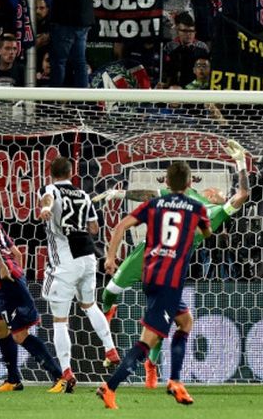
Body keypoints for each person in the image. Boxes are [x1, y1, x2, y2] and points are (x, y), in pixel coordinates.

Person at [98, 140, 249, 389]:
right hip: (147, 256)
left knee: (164, 324)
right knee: (110, 293)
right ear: (194, 185)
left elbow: (242, 194)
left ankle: (149, 367)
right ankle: (108, 326)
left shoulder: (214, 212)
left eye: (220, 193)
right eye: (213, 191)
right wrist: (122, 194)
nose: (216, 192)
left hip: (169, 268)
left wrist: (241, 163)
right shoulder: (187, 199)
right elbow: (150, 196)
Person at [97, 161, 212, 409]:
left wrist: (110, 257)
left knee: (186, 321)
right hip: (169, 280)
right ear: (190, 183)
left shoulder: (153, 205)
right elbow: (207, 232)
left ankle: (175, 381)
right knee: (146, 342)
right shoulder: (196, 208)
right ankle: (110, 387)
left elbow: (121, 226)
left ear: (166, 183)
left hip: (151, 275)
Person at [38, 157, 119, 390]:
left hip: (65, 262)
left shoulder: (50, 188)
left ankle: (66, 371)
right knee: (89, 305)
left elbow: (48, 198)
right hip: (88, 258)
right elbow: (94, 228)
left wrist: (45, 208)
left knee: (60, 320)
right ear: (71, 172)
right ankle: (110, 347)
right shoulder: (83, 194)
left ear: (51, 173)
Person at [0, 219, 72, 393]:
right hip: (5, 280)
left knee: (20, 334)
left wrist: (6, 270)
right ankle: (13, 380)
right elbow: (17, 253)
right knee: (0, 328)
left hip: (6, 278)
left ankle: (60, 377)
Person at [21, 0, 93, 88]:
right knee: (79, 62)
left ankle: (55, 102)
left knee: (58, 61)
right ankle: (83, 101)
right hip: (82, 17)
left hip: (67, 18)